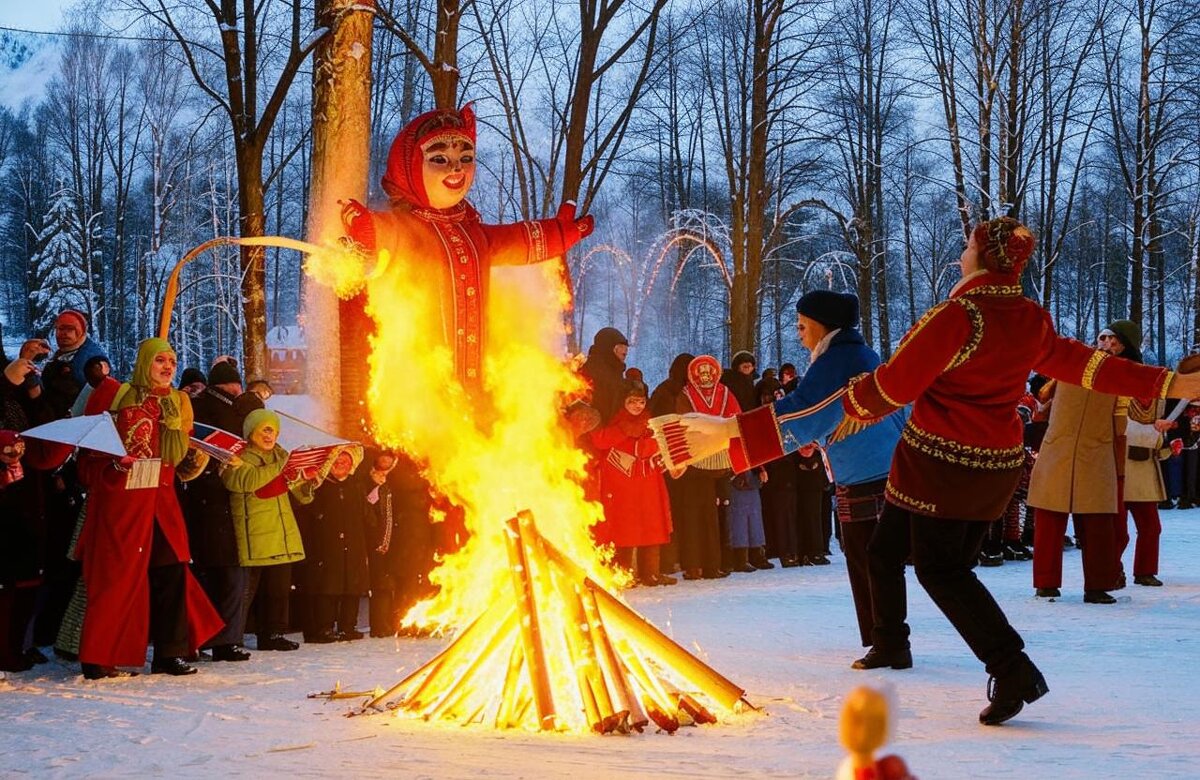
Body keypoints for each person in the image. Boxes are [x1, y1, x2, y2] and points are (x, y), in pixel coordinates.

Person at [653, 216, 1200, 725]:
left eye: (967, 247)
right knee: (884, 549)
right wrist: (1172, 383)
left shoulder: (958, 316)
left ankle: (1011, 669)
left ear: (984, 259)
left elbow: (886, 390)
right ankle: (891, 639)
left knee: (942, 570)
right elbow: (1089, 365)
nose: (961, 254)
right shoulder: (1029, 318)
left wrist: (739, 431)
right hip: (988, 466)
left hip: (942, 465)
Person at [339, 104, 593, 389]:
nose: (457, 167)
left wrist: (558, 233)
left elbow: (513, 241)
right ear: (408, 168)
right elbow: (385, 235)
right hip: (421, 384)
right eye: (439, 159)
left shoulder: (473, 231)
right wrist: (367, 228)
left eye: (466, 157)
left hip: (477, 376)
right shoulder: (408, 228)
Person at [76, 338, 223, 679]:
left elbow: (177, 456)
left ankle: (170, 654)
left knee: (172, 572)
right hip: (124, 501)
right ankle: (99, 656)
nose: (168, 367)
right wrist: (114, 465)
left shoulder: (177, 402)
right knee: (117, 578)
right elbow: (91, 452)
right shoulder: (120, 395)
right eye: (160, 360)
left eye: (172, 360)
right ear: (145, 363)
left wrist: (198, 454)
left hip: (163, 500)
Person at [1027, 322, 1137, 604]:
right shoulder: (1070, 365)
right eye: (1103, 338)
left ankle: (1098, 585)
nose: (1106, 344)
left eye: (1114, 340)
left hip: (1097, 451)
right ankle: (1046, 582)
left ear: (1125, 346)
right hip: (1059, 449)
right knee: (1050, 521)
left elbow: (1125, 421)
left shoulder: (1124, 374)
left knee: (1099, 524)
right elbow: (1042, 394)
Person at [177, 360, 263, 662]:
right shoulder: (233, 411)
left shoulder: (196, 406)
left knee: (203, 575)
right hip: (223, 500)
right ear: (231, 385)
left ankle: (196, 638)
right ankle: (225, 640)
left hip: (197, 502)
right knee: (230, 574)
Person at [220, 409, 317, 651]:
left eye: (272, 430)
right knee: (247, 593)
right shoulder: (239, 457)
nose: (269, 435)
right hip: (255, 534)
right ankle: (231, 639)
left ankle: (274, 633)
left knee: (279, 589)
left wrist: (308, 481)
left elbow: (301, 496)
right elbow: (246, 482)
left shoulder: (282, 456)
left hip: (282, 532)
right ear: (251, 432)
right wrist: (282, 465)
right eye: (264, 429)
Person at [0, 355, 71, 672]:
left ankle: (18, 647)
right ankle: (9, 649)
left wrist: (34, 393)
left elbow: (42, 432)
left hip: (28, 493)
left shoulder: (22, 402)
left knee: (28, 579)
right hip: (9, 497)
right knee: (8, 585)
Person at [590, 379, 676, 586]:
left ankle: (651, 573)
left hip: (648, 483)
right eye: (632, 402)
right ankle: (624, 573)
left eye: (641, 402)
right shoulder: (616, 422)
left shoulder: (650, 423)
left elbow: (656, 446)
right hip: (622, 485)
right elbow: (601, 441)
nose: (638, 406)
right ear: (623, 402)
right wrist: (625, 432)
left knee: (652, 525)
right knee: (624, 528)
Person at [580, 328, 631, 426]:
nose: (625, 351)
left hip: (608, 429)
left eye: (625, 348)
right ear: (608, 348)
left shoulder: (614, 369)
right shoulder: (595, 368)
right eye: (620, 346)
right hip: (595, 431)